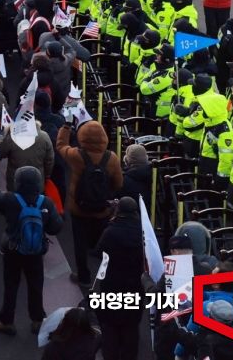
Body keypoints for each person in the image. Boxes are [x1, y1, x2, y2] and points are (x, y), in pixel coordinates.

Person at [0, 160, 63, 336]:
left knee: (11, 284)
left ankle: (6, 320)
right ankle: (37, 320)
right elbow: (56, 227)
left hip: (12, 249)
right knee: (36, 284)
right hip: (36, 251)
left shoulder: (10, 200)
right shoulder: (46, 202)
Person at [56, 118, 123, 288]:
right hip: (102, 210)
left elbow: (61, 146)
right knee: (103, 245)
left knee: (80, 245)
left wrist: (66, 126)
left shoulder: (76, 155)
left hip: (79, 209)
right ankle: (105, 279)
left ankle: (84, 277)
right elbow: (118, 184)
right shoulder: (112, 158)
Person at [94, 197, 144, 360]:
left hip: (112, 284)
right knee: (131, 327)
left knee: (110, 326)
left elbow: (99, 252)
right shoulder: (142, 232)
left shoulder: (111, 231)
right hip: (135, 285)